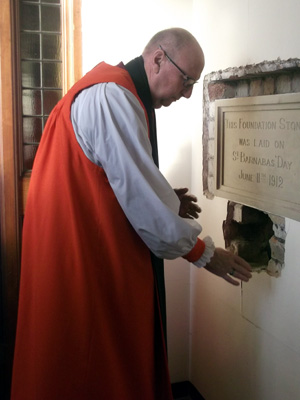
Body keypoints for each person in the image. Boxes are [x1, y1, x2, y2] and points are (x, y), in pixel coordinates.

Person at [11, 27, 252, 400]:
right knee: (92, 367)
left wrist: (166, 199)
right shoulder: (113, 96)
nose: (187, 94)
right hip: (82, 259)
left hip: (67, 246)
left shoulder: (107, 87)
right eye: (186, 81)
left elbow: (107, 176)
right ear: (158, 59)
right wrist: (205, 255)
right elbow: (142, 203)